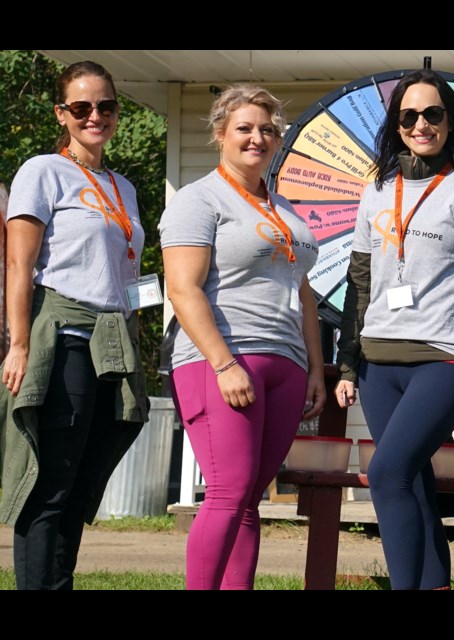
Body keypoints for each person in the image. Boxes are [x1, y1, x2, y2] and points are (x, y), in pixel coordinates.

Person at [334, 69, 454, 590]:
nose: (421, 124)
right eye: (409, 115)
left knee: (386, 474)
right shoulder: (377, 190)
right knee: (413, 480)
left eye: (432, 114)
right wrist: (347, 361)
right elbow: (358, 283)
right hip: (377, 362)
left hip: (443, 357)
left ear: (450, 121)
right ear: (396, 123)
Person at [159, 84, 326, 590]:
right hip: (223, 362)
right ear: (220, 135)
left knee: (250, 499)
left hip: (287, 364)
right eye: (245, 128)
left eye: (267, 129)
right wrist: (224, 364)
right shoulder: (199, 199)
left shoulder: (284, 209)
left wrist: (316, 368)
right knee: (228, 493)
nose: (257, 138)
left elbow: (305, 295)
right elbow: (183, 289)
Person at [0, 61, 150, 590]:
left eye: (105, 106)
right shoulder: (42, 171)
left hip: (113, 343)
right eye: (81, 107)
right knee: (52, 483)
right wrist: (18, 344)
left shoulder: (124, 187)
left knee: (84, 482)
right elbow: (20, 264)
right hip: (64, 338)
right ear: (62, 114)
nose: (95, 116)